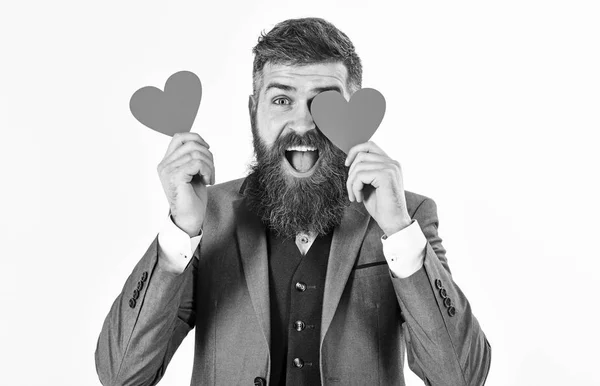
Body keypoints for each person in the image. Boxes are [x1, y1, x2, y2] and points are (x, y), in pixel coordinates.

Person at [95, 17, 491, 386]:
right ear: (254, 112)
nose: (303, 124)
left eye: (324, 103)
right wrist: (180, 232)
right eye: (282, 101)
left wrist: (400, 231)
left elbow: (459, 376)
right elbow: (122, 374)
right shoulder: (206, 217)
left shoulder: (407, 216)